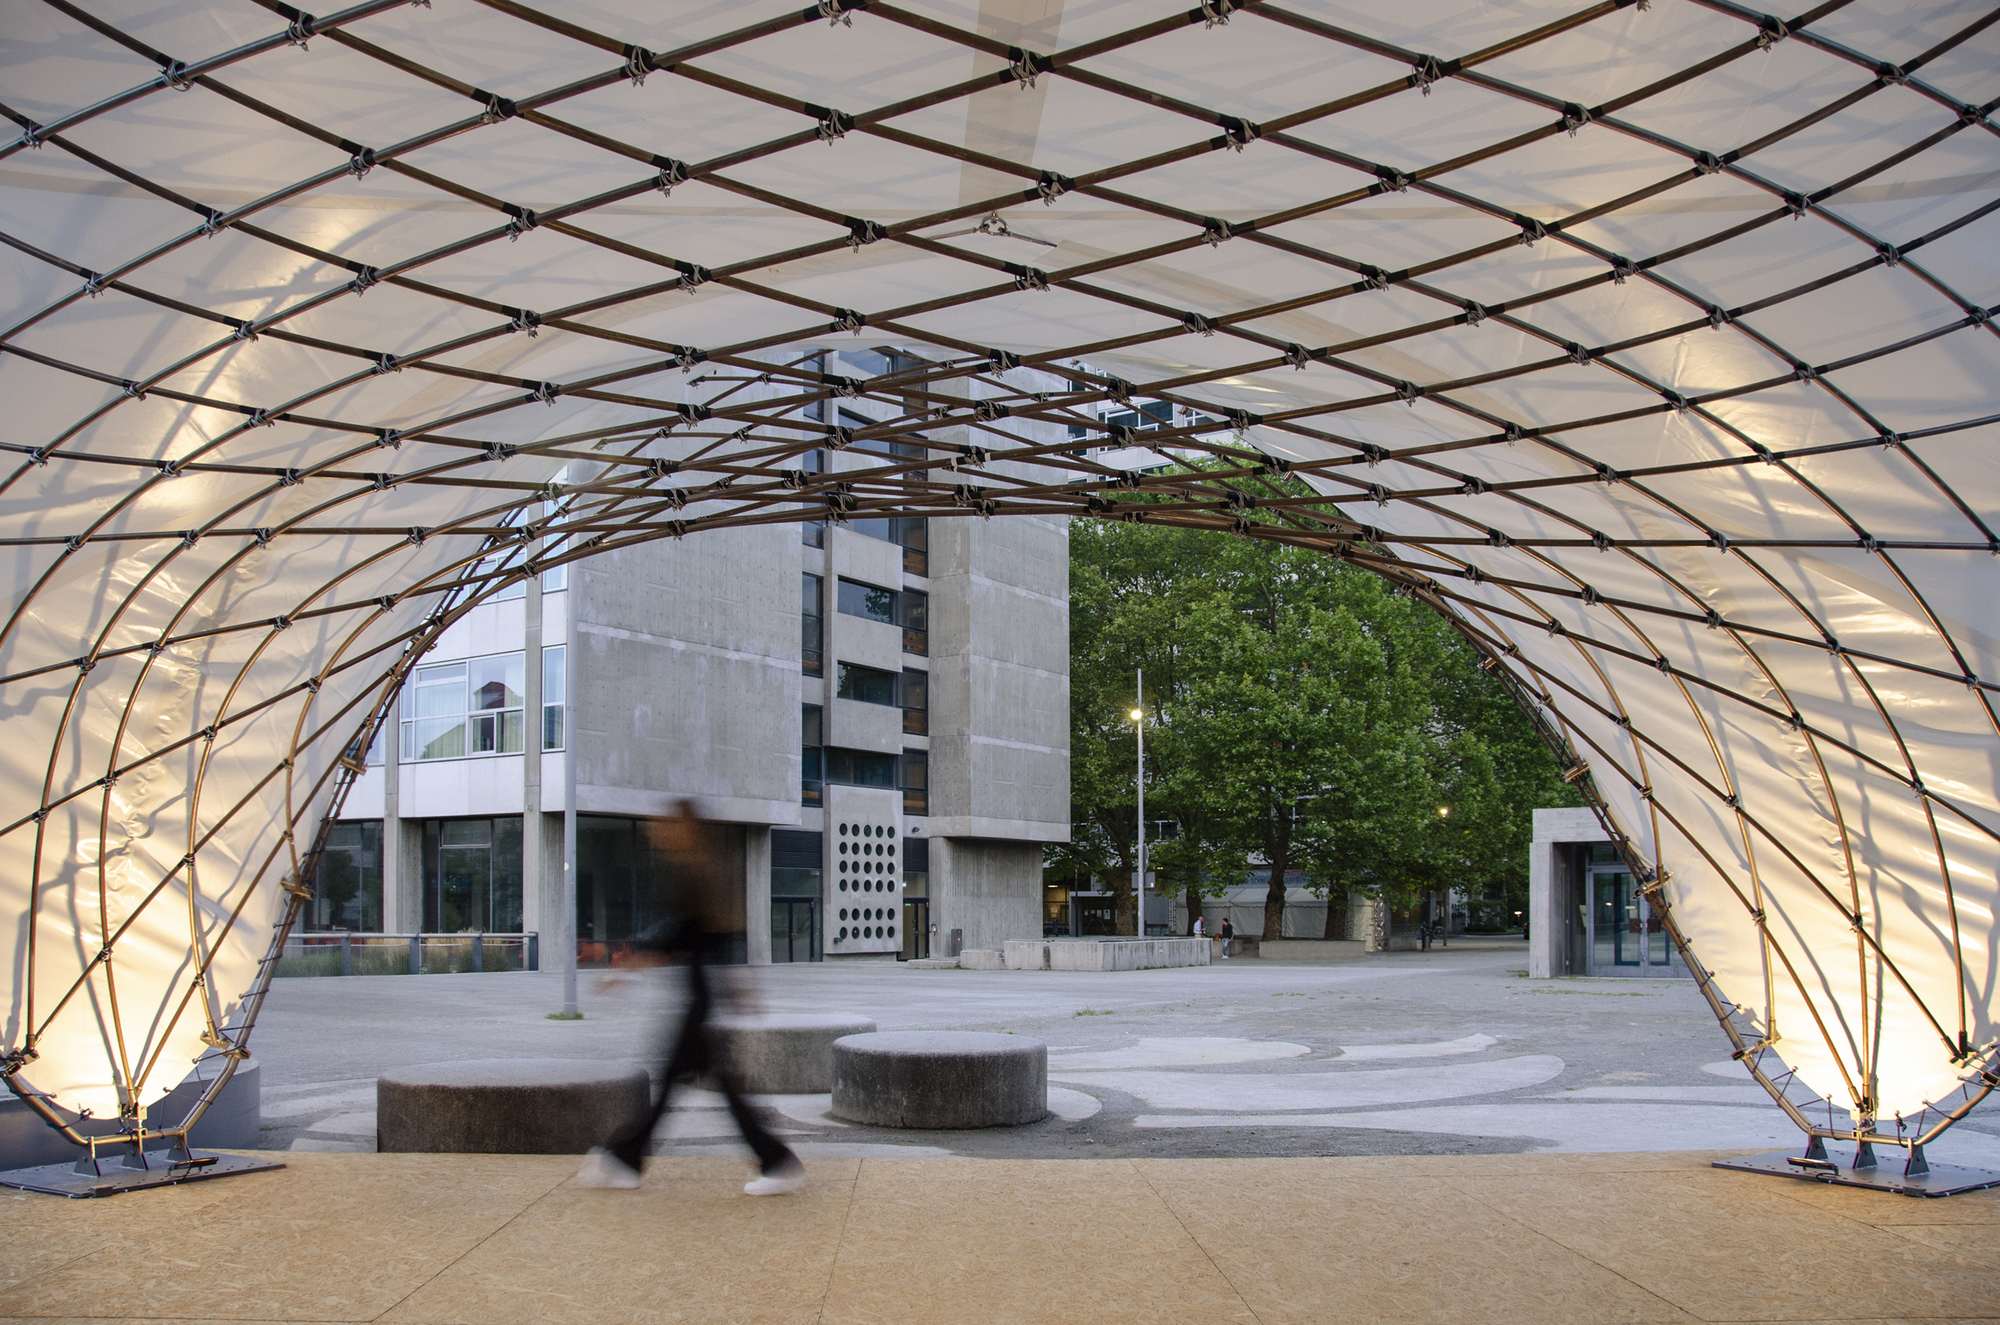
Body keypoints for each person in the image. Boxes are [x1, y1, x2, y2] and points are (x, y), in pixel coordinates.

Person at [576, 803, 805, 1196]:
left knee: (684, 1086)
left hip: (698, 1003)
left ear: (684, 829)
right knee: (694, 1087)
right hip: (699, 999)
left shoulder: (694, 875)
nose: (657, 833)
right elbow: (708, 942)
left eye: (665, 827)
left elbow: (683, 941)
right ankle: (629, 1161)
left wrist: (626, 966)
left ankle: (776, 1162)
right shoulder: (697, 873)